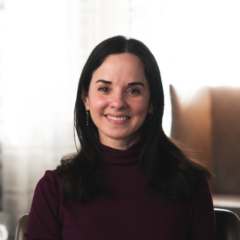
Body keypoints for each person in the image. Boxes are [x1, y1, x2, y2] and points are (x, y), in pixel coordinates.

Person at [24, 36, 216, 240]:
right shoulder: (53, 190)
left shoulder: (191, 183)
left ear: (152, 103)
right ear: (86, 99)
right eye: (104, 89)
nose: (117, 102)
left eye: (133, 90)